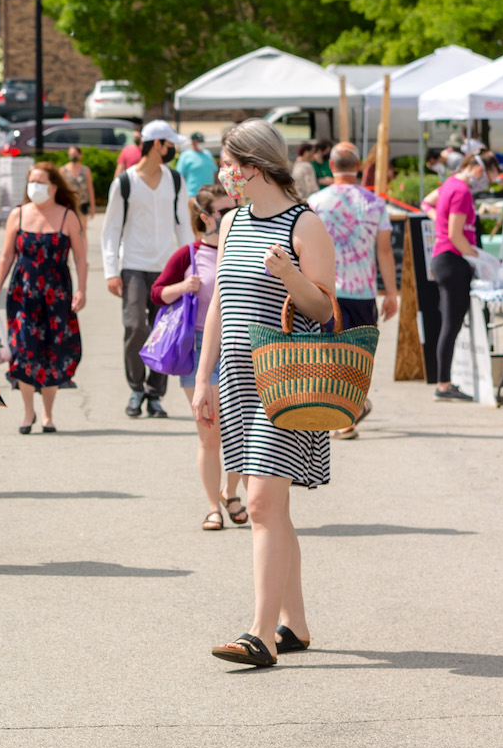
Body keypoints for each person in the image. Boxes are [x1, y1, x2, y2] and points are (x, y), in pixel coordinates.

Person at [193, 120, 337, 668]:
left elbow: (323, 308)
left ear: (252, 167)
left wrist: (288, 274)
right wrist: (204, 378)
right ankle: (293, 624)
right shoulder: (231, 222)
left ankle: (260, 634)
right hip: (237, 380)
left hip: (287, 381)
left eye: (228, 164)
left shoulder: (306, 226)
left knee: (259, 504)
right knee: (272, 508)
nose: (223, 174)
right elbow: (218, 303)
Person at [150, 184, 244, 530]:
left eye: (236, 208)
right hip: (198, 348)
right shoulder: (187, 254)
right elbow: (157, 293)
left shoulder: (242, 247)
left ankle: (230, 492)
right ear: (205, 218)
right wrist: (181, 287)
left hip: (238, 345)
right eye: (224, 212)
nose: (233, 216)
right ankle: (213, 507)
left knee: (239, 430)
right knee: (209, 434)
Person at [101, 119, 192, 419]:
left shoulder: (176, 180)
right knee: (135, 327)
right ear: (157, 145)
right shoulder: (125, 183)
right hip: (134, 266)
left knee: (164, 330)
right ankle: (136, 388)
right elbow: (111, 229)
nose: (173, 150)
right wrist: (110, 270)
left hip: (168, 267)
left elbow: (183, 225)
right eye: (170, 145)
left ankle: (155, 395)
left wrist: (191, 264)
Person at [308, 141, 399, 437]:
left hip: (325, 289)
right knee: (361, 355)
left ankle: (345, 412)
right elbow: (384, 251)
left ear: (331, 166)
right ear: (358, 168)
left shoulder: (316, 202)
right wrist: (392, 292)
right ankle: (350, 410)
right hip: (363, 290)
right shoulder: (375, 203)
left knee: (330, 352)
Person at [0, 162, 87, 433]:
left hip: (57, 296)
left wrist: (82, 290)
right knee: (23, 350)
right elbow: (6, 256)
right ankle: (27, 413)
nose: (34, 187)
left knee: (52, 351)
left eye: (41, 182)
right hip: (23, 295)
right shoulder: (18, 215)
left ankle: (47, 414)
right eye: (31, 181)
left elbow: (80, 257)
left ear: (54, 186)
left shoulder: (68, 216)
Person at [427, 152, 491, 402]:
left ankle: (444, 381)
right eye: (490, 176)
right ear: (479, 169)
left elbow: (426, 203)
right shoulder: (462, 191)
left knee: (450, 324)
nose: (488, 182)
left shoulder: (450, 184)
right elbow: (456, 234)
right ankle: (443, 383)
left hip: (445, 258)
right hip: (453, 260)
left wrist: (439, 223)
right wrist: (479, 258)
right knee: (451, 325)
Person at [59, 146, 95, 215]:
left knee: (83, 225)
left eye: (75, 154)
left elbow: (90, 188)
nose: (73, 156)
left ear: (80, 155)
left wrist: (92, 206)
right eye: (71, 154)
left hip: (82, 203)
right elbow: (60, 189)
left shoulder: (86, 170)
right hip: (68, 203)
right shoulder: (63, 170)